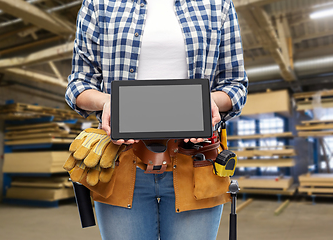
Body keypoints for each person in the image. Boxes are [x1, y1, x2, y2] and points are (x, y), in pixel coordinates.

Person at [65, 0, 248, 239]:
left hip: (196, 161)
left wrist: (208, 102)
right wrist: (107, 102)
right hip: (122, 159)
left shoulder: (218, 4)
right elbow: (78, 85)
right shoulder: (99, 4)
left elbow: (235, 85)